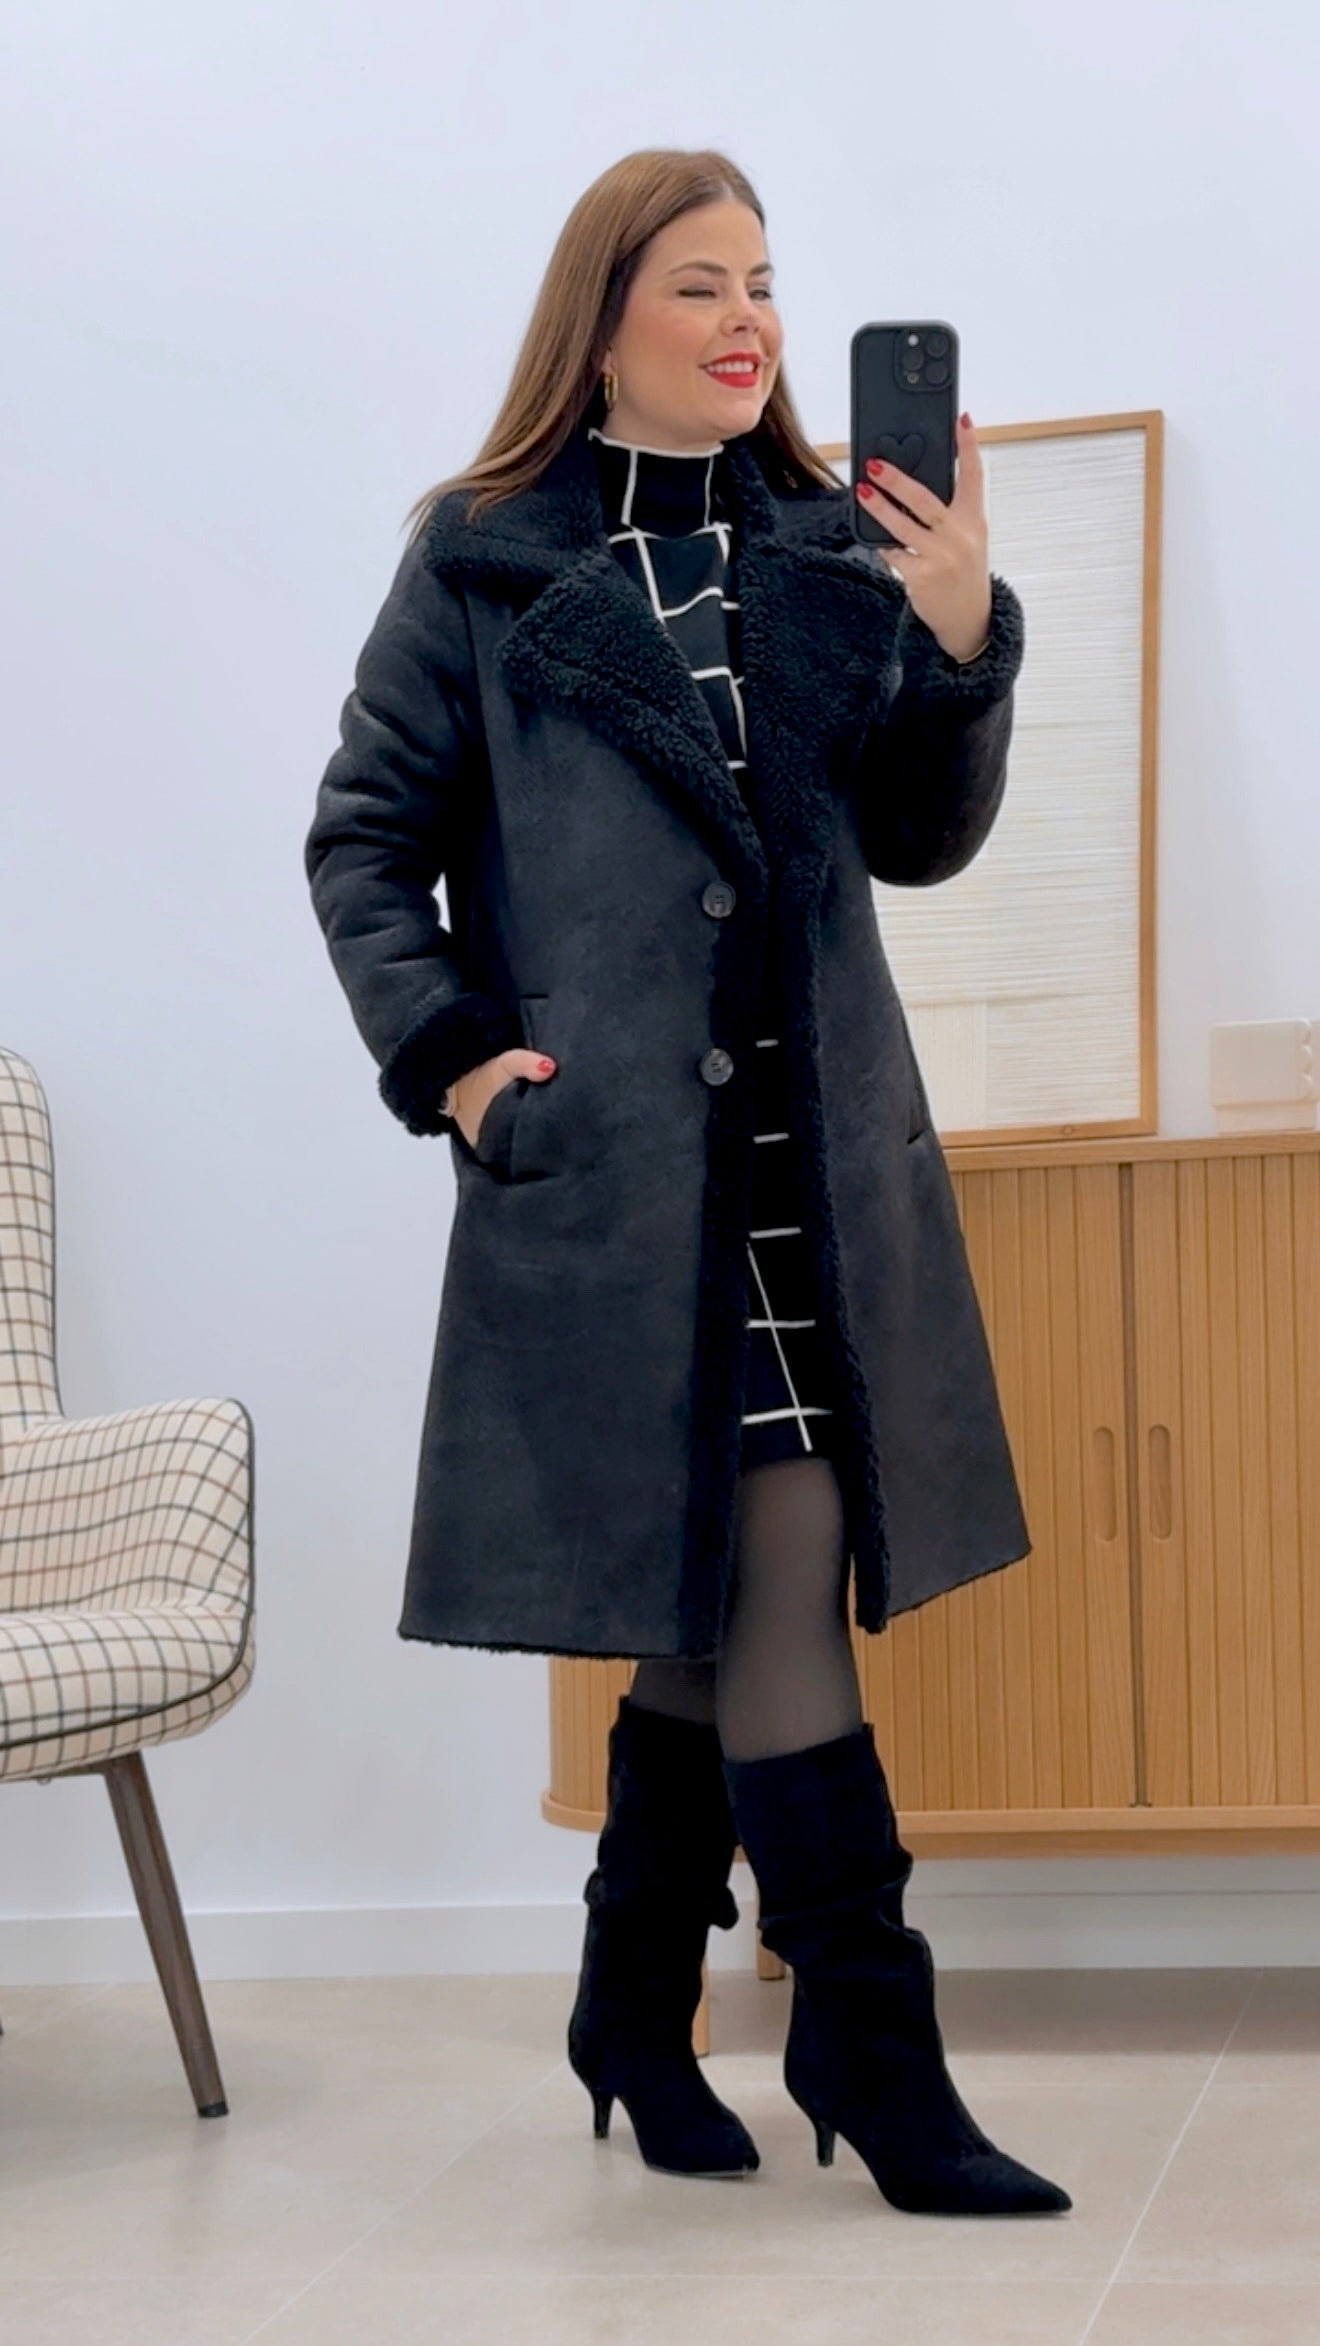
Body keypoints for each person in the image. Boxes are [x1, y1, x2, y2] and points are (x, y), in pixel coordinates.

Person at [304, 147, 1071, 2218]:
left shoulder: (833, 542)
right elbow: (365, 839)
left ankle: (634, 2009)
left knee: (730, 1582)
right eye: (701, 284)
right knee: (764, 1564)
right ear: (604, 321)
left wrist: (959, 629)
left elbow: (920, 839)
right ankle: (872, 2045)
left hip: (816, 1171)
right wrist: (461, 1063)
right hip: (627, 1192)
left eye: (765, 283)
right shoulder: (483, 563)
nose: (749, 322)